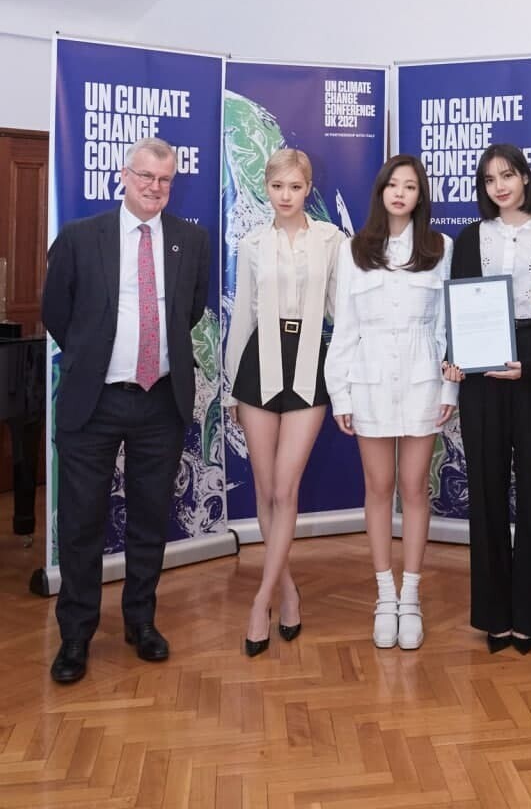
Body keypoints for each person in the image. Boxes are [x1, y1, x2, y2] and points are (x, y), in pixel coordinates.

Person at [42, 137, 210, 685]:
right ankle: (75, 636)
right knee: (83, 521)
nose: (155, 188)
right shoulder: (80, 237)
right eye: (145, 177)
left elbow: (189, 311)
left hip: (159, 398)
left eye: (165, 180)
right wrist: (95, 358)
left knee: (148, 519)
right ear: (123, 174)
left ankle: (141, 621)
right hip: (95, 400)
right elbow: (56, 312)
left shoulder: (191, 239)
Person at [446, 144, 531, 654]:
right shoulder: (469, 237)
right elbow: (457, 303)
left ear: (525, 177)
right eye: (489, 180)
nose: (499, 186)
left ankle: (529, 617)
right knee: (485, 488)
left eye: (508, 175)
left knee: (530, 492)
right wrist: (456, 355)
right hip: (481, 369)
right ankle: (493, 617)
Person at [325, 154, 455, 651]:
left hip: (423, 377)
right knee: (378, 488)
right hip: (370, 379)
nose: (401, 193)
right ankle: (385, 595)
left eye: (411, 186)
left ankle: (412, 597)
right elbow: (346, 328)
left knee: (414, 488)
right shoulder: (354, 250)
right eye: (393, 185)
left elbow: (447, 326)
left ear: (421, 196)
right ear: (381, 192)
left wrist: (449, 387)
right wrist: (340, 390)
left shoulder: (439, 248)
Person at [224, 148, 342, 656]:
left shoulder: (332, 240)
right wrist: (232, 385)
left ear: (307, 188)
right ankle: (287, 591)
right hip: (258, 363)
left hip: (311, 362)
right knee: (266, 487)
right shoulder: (251, 243)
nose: (286, 196)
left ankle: (260, 602)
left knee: (286, 488)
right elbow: (242, 320)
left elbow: (343, 310)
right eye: (277, 187)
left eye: (295, 187)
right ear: (266, 189)